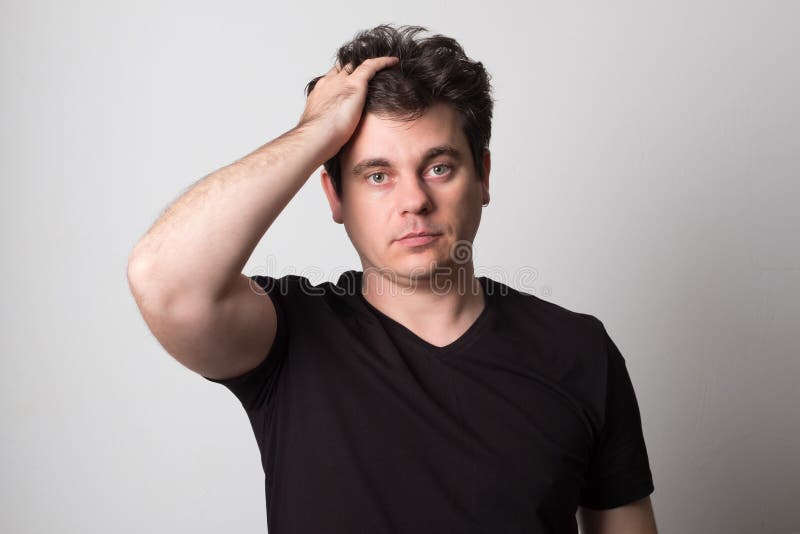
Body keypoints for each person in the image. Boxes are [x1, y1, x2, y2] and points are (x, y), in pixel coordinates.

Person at [127, 23, 658, 534]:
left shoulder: (579, 350)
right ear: (335, 197)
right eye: (377, 175)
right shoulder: (286, 338)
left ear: (484, 177)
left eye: (439, 167)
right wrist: (315, 132)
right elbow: (163, 280)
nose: (414, 201)